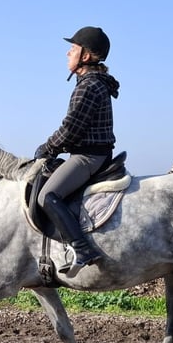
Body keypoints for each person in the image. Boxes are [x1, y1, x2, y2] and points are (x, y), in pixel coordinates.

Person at [35, 26, 120, 277]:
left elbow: (71, 128)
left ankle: (82, 249)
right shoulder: (90, 83)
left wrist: (47, 148)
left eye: (72, 48)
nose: (67, 53)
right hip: (90, 153)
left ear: (85, 56)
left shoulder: (89, 86)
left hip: (89, 157)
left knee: (47, 196)